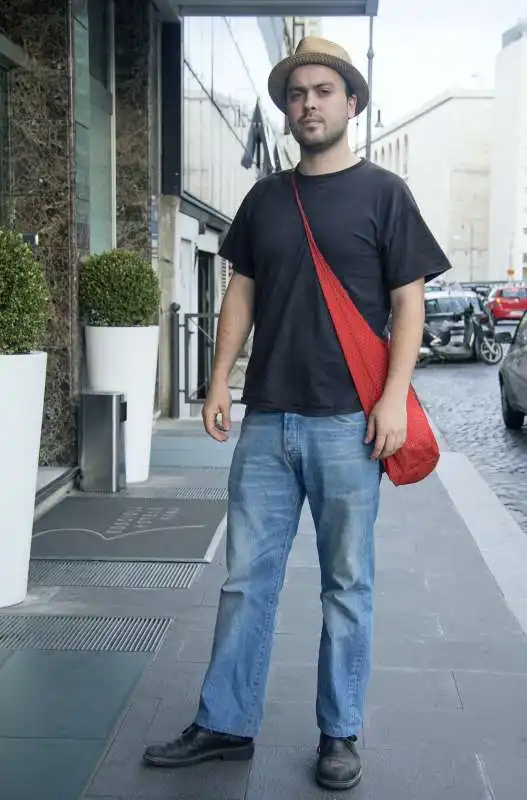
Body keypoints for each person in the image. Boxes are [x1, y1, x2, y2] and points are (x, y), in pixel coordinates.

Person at [143, 36, 451, 791]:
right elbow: (240, 291)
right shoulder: (265, 199)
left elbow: (408, 305)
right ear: (285, 110)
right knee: (246, 579)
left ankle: (338, 733)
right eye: (295, 94)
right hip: (267, 421)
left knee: (348, 583)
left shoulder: (384, 193)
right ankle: (225, 722)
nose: (306, 103)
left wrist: (390, 402)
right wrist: (216, 381)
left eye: (321, 91)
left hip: (350, 425)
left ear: (350, 102)